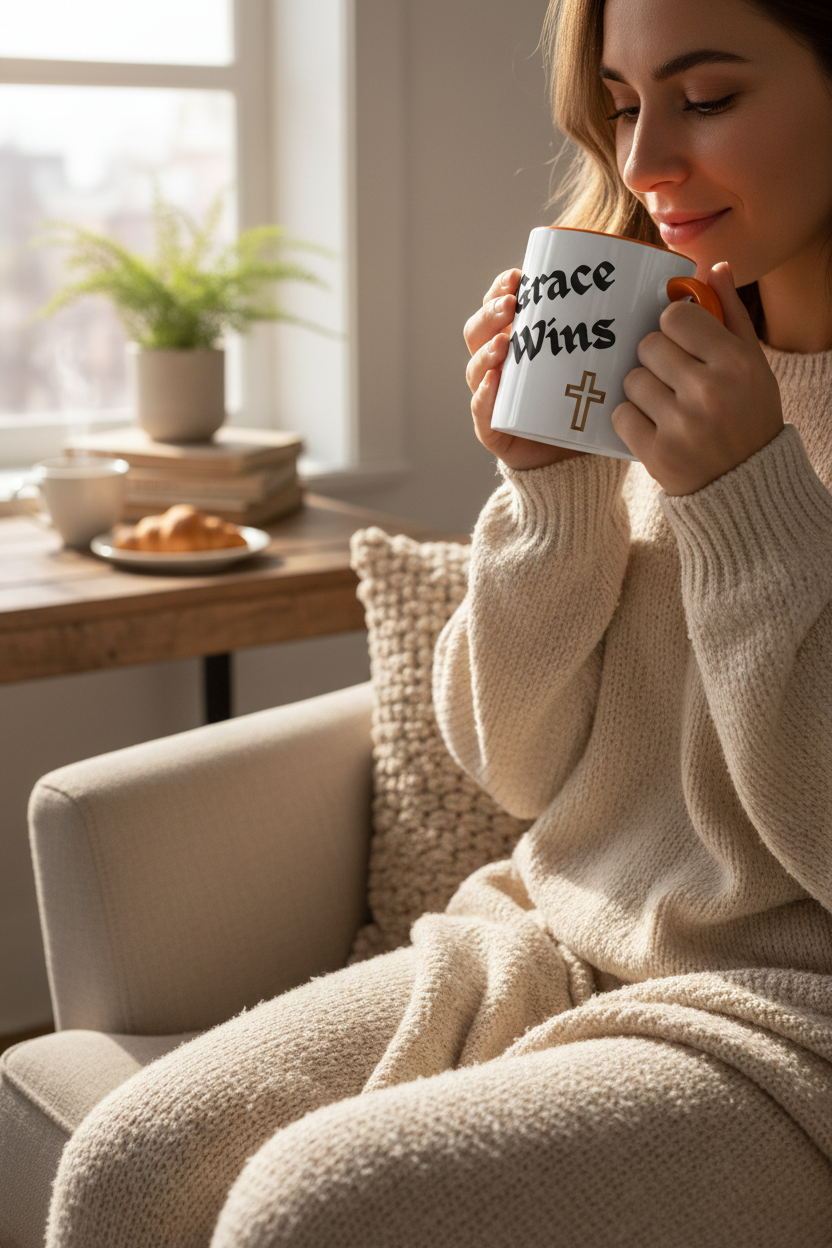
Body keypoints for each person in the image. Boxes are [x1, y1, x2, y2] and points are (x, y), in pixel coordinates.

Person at [46, 1, 832, 1245]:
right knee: (125, 1168)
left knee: (307, 1216)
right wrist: (551, 490)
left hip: (795, 1022)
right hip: (542, 936)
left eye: (710, 97)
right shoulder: (642, 345)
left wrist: (750, 504)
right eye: (623, 107)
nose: (644, 164)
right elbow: (513, 764)